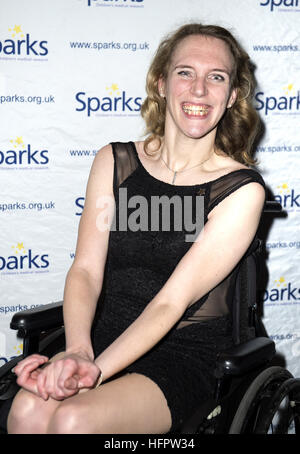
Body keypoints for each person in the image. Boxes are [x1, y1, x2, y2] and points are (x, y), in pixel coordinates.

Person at [7, 23, 266, 434]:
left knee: (74, 420)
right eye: (185, 72)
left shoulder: (239, 190)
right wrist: (77, 350)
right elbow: (86, 270)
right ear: (161, 83)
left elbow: (171, 302)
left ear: (232, 95)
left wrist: (92, 371)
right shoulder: (114, 162)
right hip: (103, 334)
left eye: (216, 77)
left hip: (184, 351)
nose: (199, 90)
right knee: (26, 412)